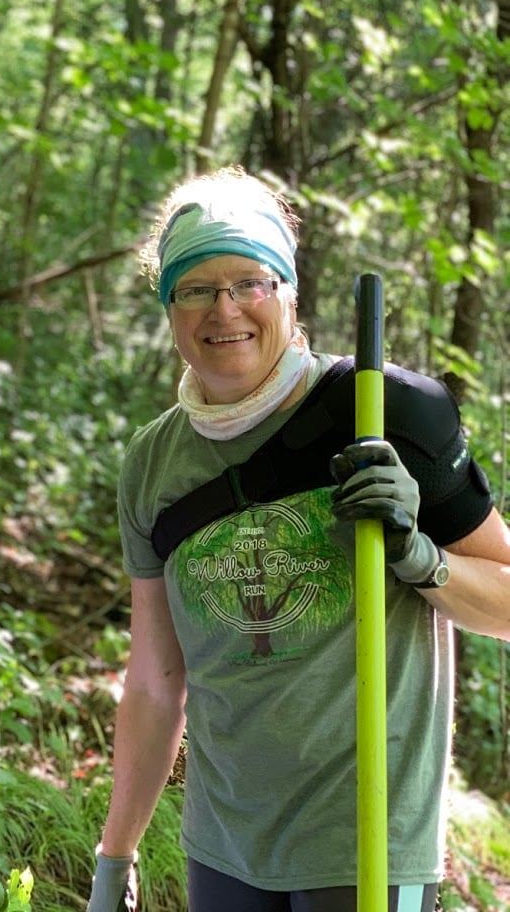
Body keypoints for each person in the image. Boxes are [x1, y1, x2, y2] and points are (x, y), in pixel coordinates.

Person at [87, 166, 510, 912]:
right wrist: (113, 856)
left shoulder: (387, 413)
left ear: (287, 291)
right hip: (221, 848)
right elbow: (155, 679)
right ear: (168, 306)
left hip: (363, 844)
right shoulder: (152, 464)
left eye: (250, 281)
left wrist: (422, 558)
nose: (225, 309)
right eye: (195, 288)